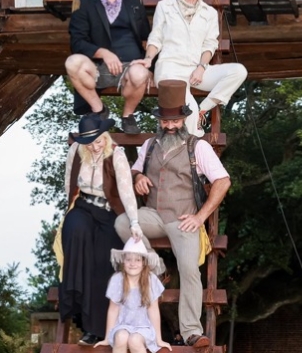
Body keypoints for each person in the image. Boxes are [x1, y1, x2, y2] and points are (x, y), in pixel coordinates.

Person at [115, 80, 232, 350]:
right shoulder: (150, 145)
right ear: (159, 120)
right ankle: (157, 268)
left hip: (184, 219)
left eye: (175, 121)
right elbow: (133, 170)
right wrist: (138, 177)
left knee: (190, 270)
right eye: (165, 121)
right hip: (153, 214)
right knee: (122, 223)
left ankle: (191, 331)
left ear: (184, 119)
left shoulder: (197, 147)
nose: (170, 126)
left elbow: (223, 181)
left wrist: (200, 217)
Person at [132, 0, 247, 138]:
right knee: (189, 111)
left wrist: (201, 67)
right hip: (170, 70)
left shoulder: (209, 12)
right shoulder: (165, 7)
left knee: (238, 71)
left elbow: (210, 44)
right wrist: (148, 59)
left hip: (196, 69)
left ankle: (204, 109)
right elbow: (156, 38)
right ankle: (191, 150)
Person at [59, 114, 145, 346]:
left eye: (98, 141)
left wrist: (134, 222)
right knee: (75, 232)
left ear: (104, 137)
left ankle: (96, 329)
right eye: (90, 143)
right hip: (83, 207)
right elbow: (69, 181)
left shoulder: (116, 154)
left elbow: (126, 191)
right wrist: (68, 208)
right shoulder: (76, 151)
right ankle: (76, 307)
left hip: (108, 212)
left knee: (102, 261)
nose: (95, 147)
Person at [65, 0, 152, 134]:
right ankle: (99, 110)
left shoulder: (133, 2)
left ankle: (128, 116)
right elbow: (77, 43)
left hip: (130, 67)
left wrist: (150, 64)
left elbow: (146, 38)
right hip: (97, 69)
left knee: (140, 73)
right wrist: (103, 53)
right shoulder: (84, 4)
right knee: (72, 62)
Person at [95, 238, 172, 353]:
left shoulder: (150, 280)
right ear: (123, 261)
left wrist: (159, 339)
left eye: (137, 260)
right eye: (128, 259)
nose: (132, 264)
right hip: (122, 325)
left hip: (143, 327)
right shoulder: (117, 280)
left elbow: (153, 310)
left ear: (144, 262)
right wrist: (106, 338)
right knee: (120, 337)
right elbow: (113, 310)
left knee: (134, 340)